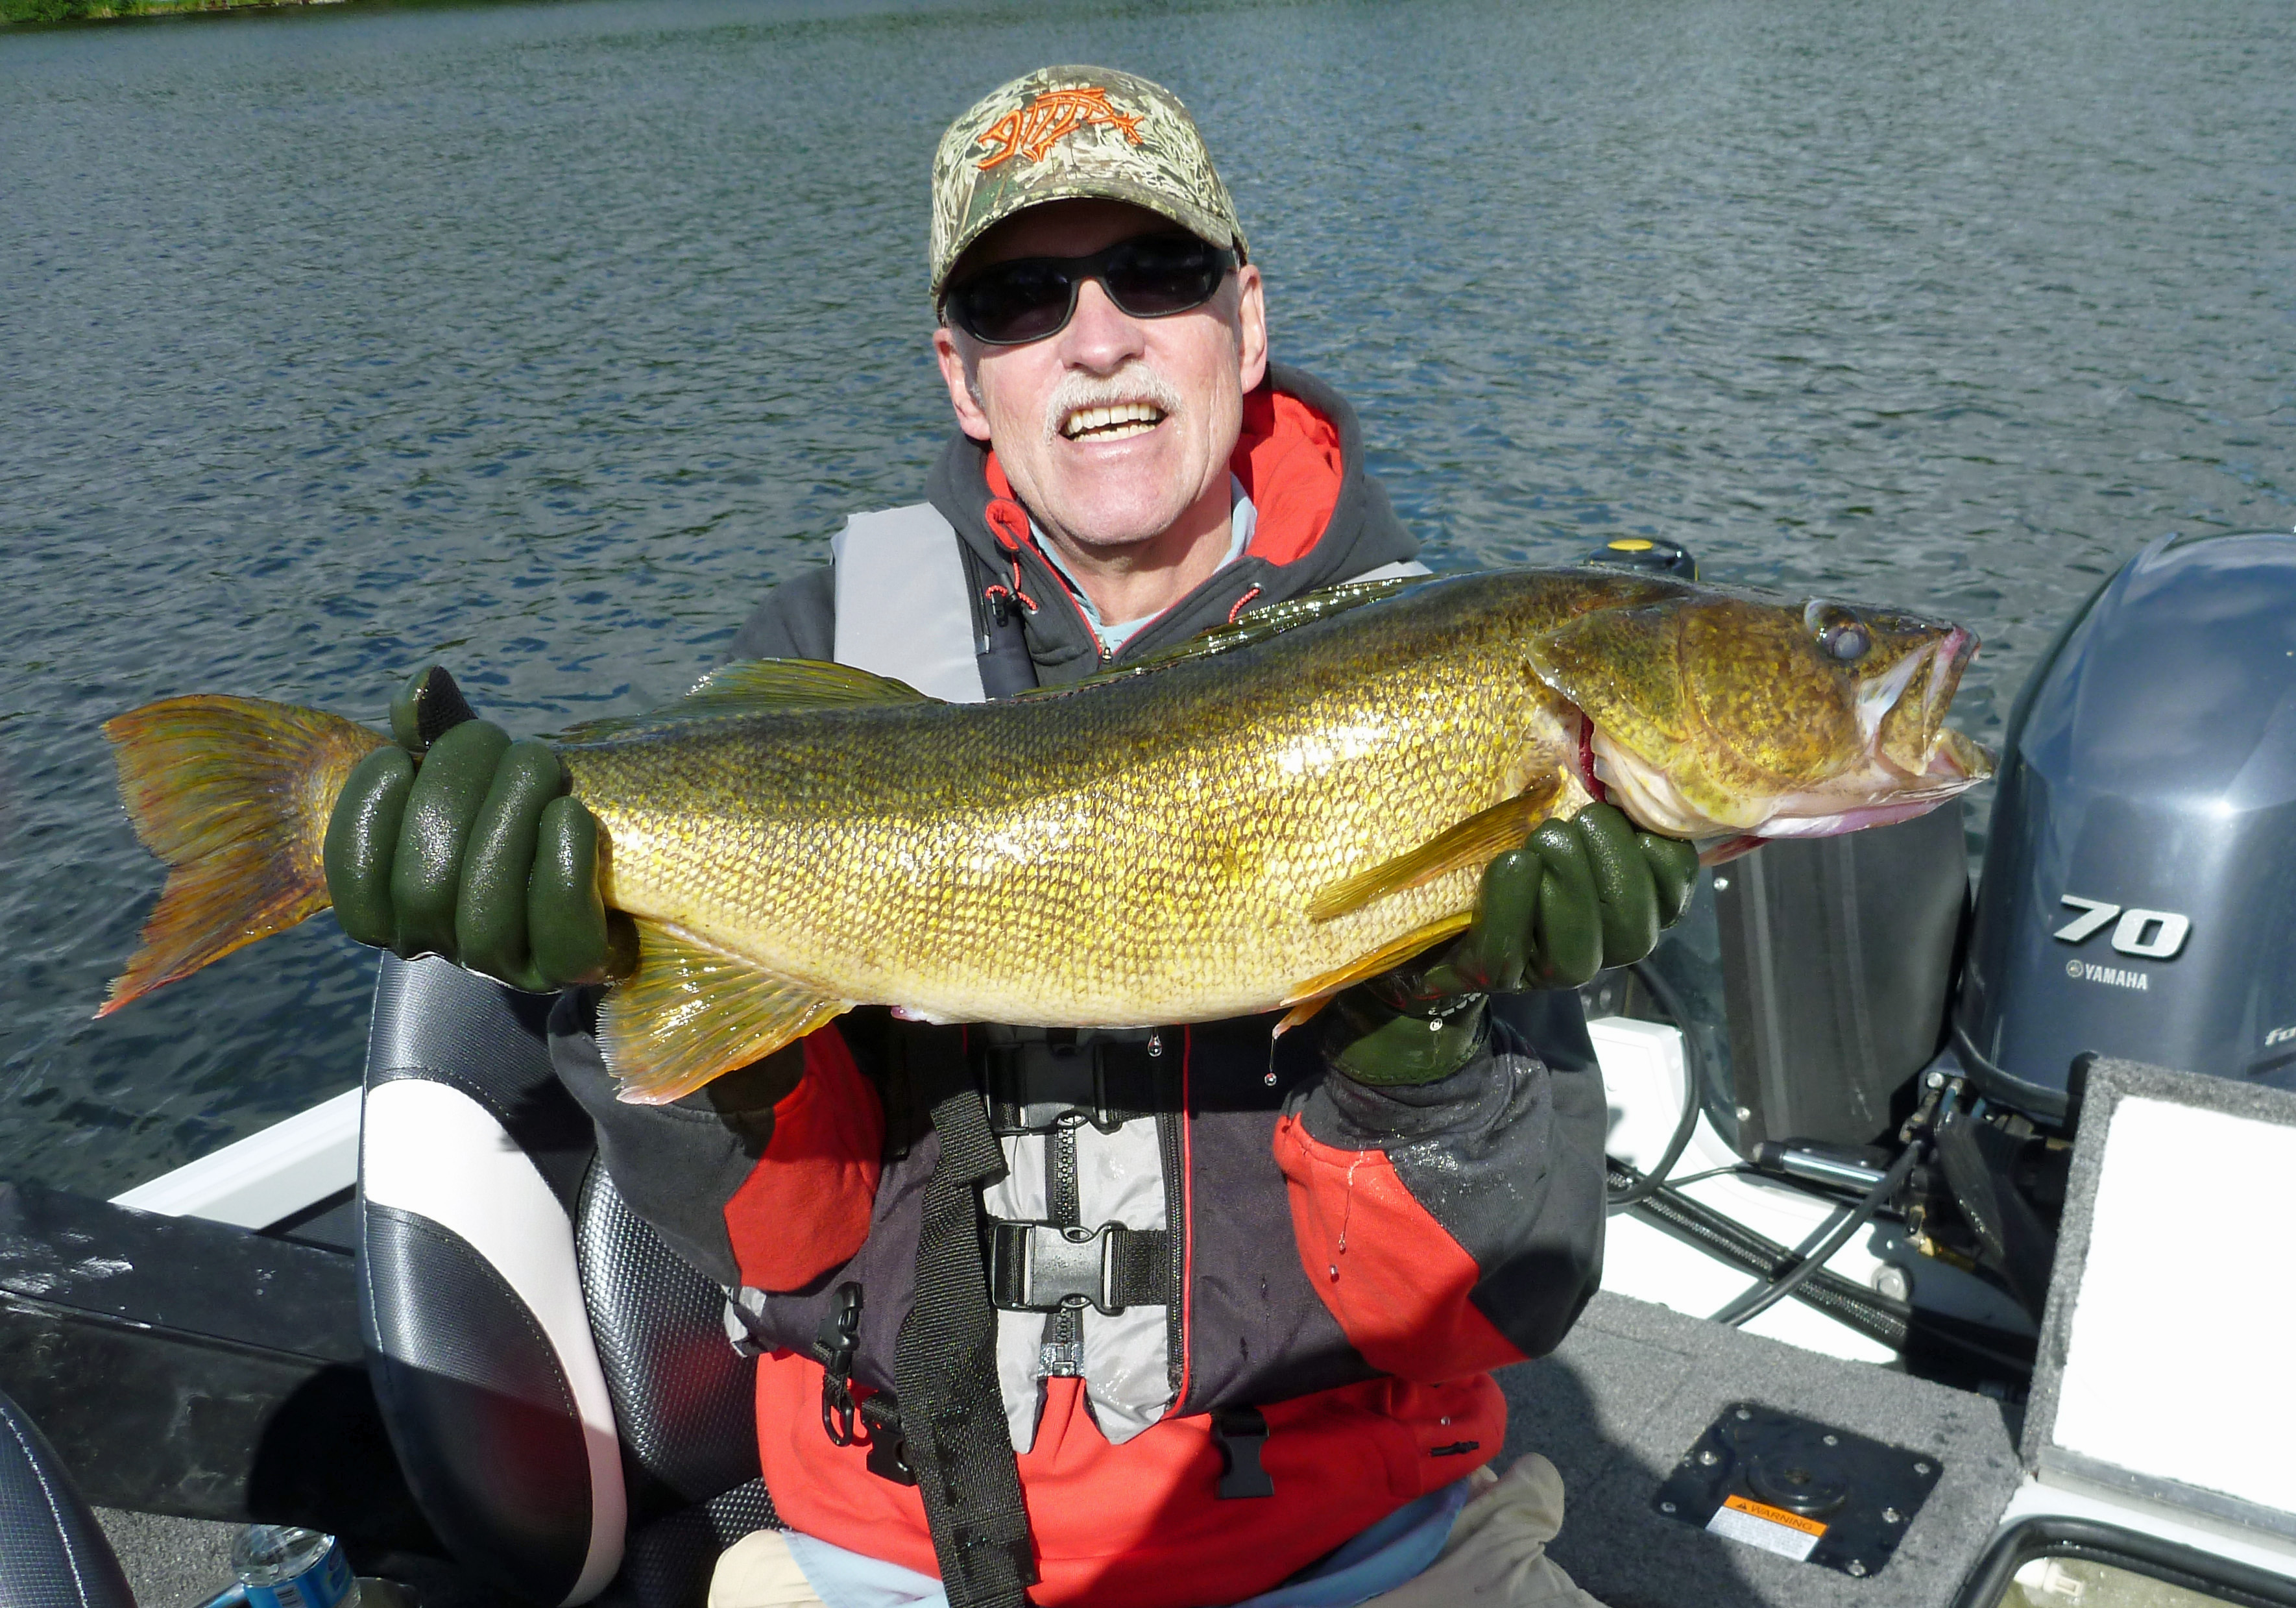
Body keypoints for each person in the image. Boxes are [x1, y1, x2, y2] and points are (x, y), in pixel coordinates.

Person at [324, 66, 1695, 1608]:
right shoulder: (827, 658)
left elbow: (1491, 1305)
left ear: (1247, 320)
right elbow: (785, 1243)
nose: (1097, 336)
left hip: (1362, 1554)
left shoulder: (1441, 675)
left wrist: (1423, 1042)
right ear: (964, 378)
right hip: (886, 1559)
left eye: (1157, 272)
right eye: (1021, 299)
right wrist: (612, 962)